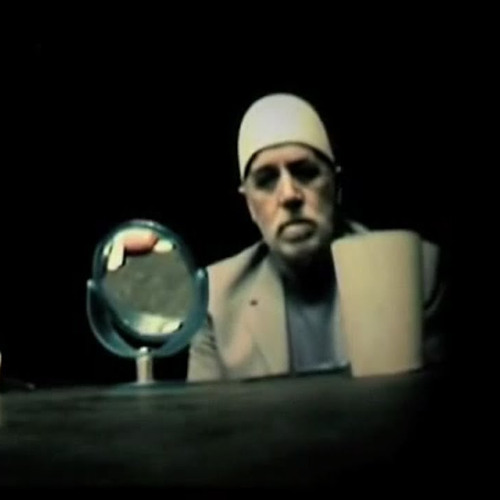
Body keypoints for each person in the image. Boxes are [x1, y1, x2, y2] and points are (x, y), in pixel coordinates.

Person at [113, 93, 446, 383]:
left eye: (306, 172)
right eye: (266, 180)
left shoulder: (416, 270)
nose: (289, 195)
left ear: (336, 187)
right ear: (249, 205)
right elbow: (206, 426)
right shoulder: (215, 299)